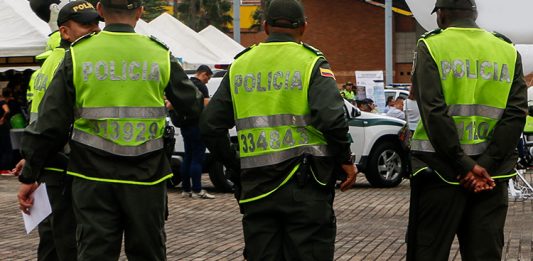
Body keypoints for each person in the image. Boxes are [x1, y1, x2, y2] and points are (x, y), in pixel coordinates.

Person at [16, 0, 202, 260]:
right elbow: (192, 105)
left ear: (101, 10)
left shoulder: (78, 54)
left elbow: (50, 123)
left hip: (93, 178)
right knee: (148, 252)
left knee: (94, 253)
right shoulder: (158, 53)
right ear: (139, 12)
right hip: (147, 178)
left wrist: (30, 174)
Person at [199, 0, 357, 259]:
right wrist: (345, 160)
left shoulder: (241, 64)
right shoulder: (311, 63)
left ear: (265, 26)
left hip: (257, 188)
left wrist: (235, 163)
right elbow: (332, 120)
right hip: (306, 187)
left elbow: (210, 125)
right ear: (303, 27)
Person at [407, 0, 527, 260]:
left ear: (441, 15)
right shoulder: (506, 49)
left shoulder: (430, 46)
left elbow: (433, 111)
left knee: (428, 252)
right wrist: (484, 165)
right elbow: (516, 113)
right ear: (474, 13)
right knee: (485, 253)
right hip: (491, 178)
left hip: (439, 172)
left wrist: (463, 164)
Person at [15, 2, 101, 260]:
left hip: (47, 165)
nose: (96, 31)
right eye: (87, 25)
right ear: (64, 31)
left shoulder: (47, 64)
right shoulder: (71, 63)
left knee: (51, 242)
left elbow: (38, 119)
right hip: (66, 166)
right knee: (69, 244)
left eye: (97, 24)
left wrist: (31, 160)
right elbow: (51, 124)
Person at [178, 65, 215, 199]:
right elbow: (206, 105)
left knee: (188, 156)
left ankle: (186, 189)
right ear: (204, 74)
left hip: (184, 125)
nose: (207, 81)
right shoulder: (201, 87)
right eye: (208, 78)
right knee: (197, 158)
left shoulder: (186, 84)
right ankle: (197, 190)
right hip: (197, 126)